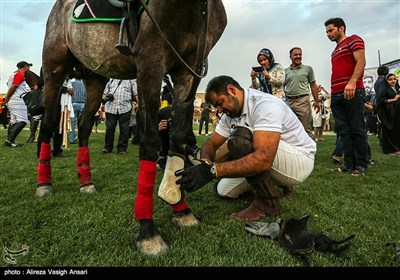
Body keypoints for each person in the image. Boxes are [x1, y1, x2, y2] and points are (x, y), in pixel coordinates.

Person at [175, 75, 316, 221]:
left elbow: (263, 159)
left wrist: (213, 171)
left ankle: (268, 202)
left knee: (239, 139)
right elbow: (211, 143)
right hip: (275, 160)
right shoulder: (230, 113)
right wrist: (204, 164)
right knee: (222, 191)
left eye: (219, 103)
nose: (219, 110)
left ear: (231, 90)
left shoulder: (264, 104)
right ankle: (273, 183)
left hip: (299, 161)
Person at [324, 17, 368, 176]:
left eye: (330, 30)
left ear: (341, 28)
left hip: (352, 91)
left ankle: (361, 166)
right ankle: (348, 164)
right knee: (344, 131)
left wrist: (352, 82)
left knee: (357, 129)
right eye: (327, 32)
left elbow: (361, 62)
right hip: (336, 94)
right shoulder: (334, 51)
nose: (328, 34)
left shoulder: (353, 40)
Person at [284, 47, 320, 138]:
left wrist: (317, 101)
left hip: (303, 101)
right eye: (295, 55)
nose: (298, 56)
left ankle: (310, 151)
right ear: (290, 57)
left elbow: (313, 85)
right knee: (290, 129)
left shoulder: (308, 69)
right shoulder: (285, 72)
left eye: (300, 54)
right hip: (289, 102)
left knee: (306, 128)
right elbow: (281, 87)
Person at [102, 78, 137, 155]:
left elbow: (136, 93)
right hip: (111, 108)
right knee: (110, 128)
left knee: (124, 129)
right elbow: (104, 93)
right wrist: (103, 103)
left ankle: (122, 149)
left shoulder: (131, 79)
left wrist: (138, 103)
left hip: (125, 107)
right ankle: (107, 147)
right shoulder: (110, 79)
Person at [3, 61, 32, 147]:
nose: (29, 68)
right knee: (23, 121)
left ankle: (9, 141)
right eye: (28, 66)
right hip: (17, 100)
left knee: (14, 121)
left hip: (13, 100)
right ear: (25, 67)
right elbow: (14, 87)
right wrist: (7, 97)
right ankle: (9, 140)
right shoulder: (20, 74)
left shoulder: (13, 74)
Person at [374, 73, 400, 155]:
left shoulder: (397, 87)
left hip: (396, 113)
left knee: (397, 130)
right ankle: (392, 149)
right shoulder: (384, 89)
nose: (393, 81)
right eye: (390, 79)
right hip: (388, 113)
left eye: (394, 79)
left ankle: (397, 147)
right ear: (386, 81)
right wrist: (394, 99)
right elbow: (381, 101)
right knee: (390, 131)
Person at [69, 79, 87, 144]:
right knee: (82, 122)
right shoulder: (85, 84)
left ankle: (72, 138)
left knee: (72, 123)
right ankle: (82, 138)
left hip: (73, 104)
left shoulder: (71, 83)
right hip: (82, 103)